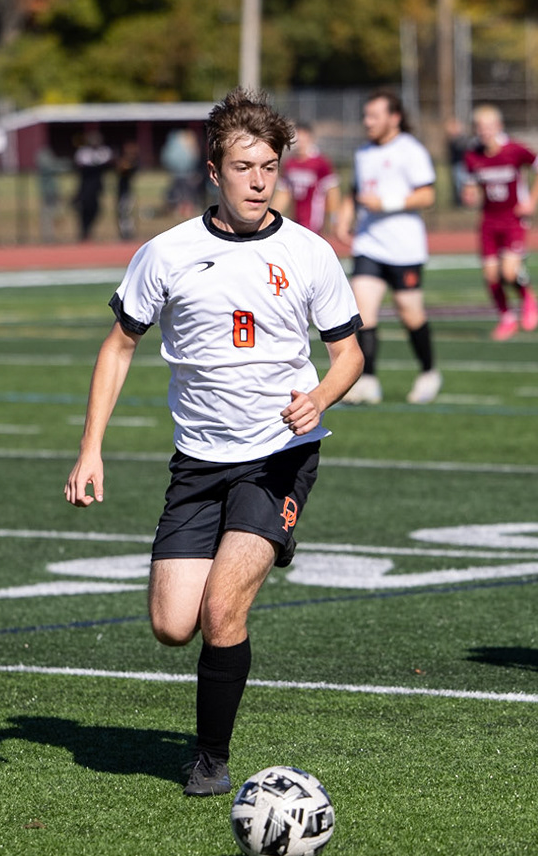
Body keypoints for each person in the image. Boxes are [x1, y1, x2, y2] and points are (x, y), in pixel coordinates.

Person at [65, 89, 363, 796]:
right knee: (173, 624)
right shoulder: (166, 253)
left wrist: (319, 394)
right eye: (244, 166)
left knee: (223, 609)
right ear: (213, 171)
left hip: (279, 456)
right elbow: (117, 347)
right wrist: (90, 448)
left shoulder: (308, 252)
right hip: (199, 460)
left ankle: (209, 755)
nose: (259, 180)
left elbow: (350, 352)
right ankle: (243, 561)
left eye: (269, 166)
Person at [333, 90, 442, 405]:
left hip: (405, 248)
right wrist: (344, 218)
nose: (367, 122)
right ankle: (367, 380)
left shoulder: (411, 150)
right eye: (365, 116)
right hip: (369, 245)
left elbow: (428, 195)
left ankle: (429, 371)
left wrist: (387, 203)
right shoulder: (363, 152)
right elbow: (356, 191)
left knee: (410, 314)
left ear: (394, 118)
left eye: (374, 116)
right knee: (363, 314)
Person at [461, 104, 538, 340]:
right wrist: (470, 193)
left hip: (514, 219)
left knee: (509, 273)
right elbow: (472, 186)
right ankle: (506, 318)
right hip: (489, 221)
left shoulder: (514, 150)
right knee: (491, 275)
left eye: (489, 127)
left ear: (499, 127)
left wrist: (532, 201)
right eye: (480, 128)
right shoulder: (473, 155)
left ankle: (527, 295)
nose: (485, 132)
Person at [276, 121, 344, 235]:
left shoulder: (321, 163)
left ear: (310, 138)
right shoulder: (289, 164)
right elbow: (284, 193)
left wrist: (333, 220)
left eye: (302, 138)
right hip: (297, 221)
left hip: (315, 224)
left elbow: (332, 192)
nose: (299, 143)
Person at [73, 128, 113, 241]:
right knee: (84, 210)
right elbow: (81, 167)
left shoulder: (104, 151)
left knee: (96, 210)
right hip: (85, 187)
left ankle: (88, 231)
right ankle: (84, 232)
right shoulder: (83, 152)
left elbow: (108, 164)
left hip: (97, 187)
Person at [114, 139, 140, 240]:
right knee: (122, 212)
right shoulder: (122, 161)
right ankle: (124, 232)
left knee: (127, 212)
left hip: (127, 191)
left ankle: (128, 232)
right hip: (121, 190)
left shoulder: (133, 164)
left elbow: (127, 169)